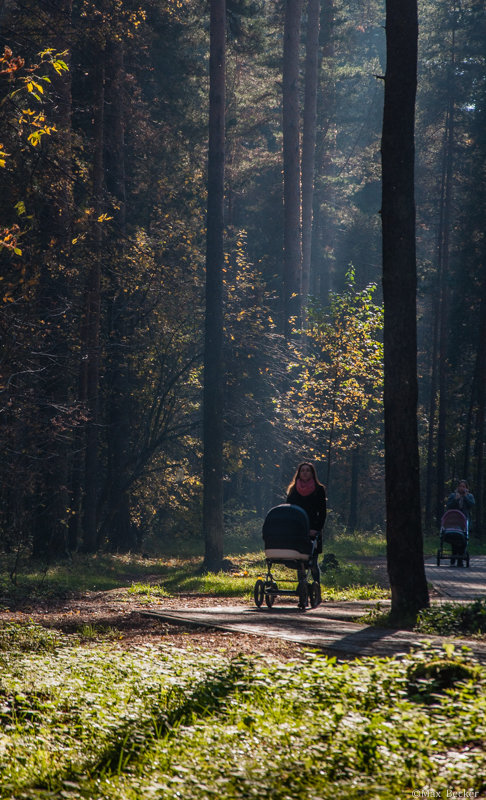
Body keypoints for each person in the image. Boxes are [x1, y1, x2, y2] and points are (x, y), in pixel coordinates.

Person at [286, 462, 327, 583]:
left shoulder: (319, 489)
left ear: (312, 473)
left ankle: (316, 586)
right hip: (297, 529)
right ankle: (302, 589)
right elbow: (288, 509)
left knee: (313, 562)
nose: (305, 473)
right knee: (300, 562)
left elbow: (322, 512)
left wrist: (317, 529)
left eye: (307, 470)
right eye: (302, 470)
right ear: (298, 473)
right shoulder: (293, 489)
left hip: (313, 528)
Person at [446, 479, 475, 567]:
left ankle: (460, 558)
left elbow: (472, 505)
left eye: (463, 486)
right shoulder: (453, 495)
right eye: (460, 486)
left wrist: (465, 497)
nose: (461, 488)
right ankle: (454, 555)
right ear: (457, 487)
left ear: (466, 488)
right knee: (454, 537)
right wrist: (455, 499)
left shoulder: (469, 496)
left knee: (463, 538)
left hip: (464, 520)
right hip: (454, 520)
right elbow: (448, 505)